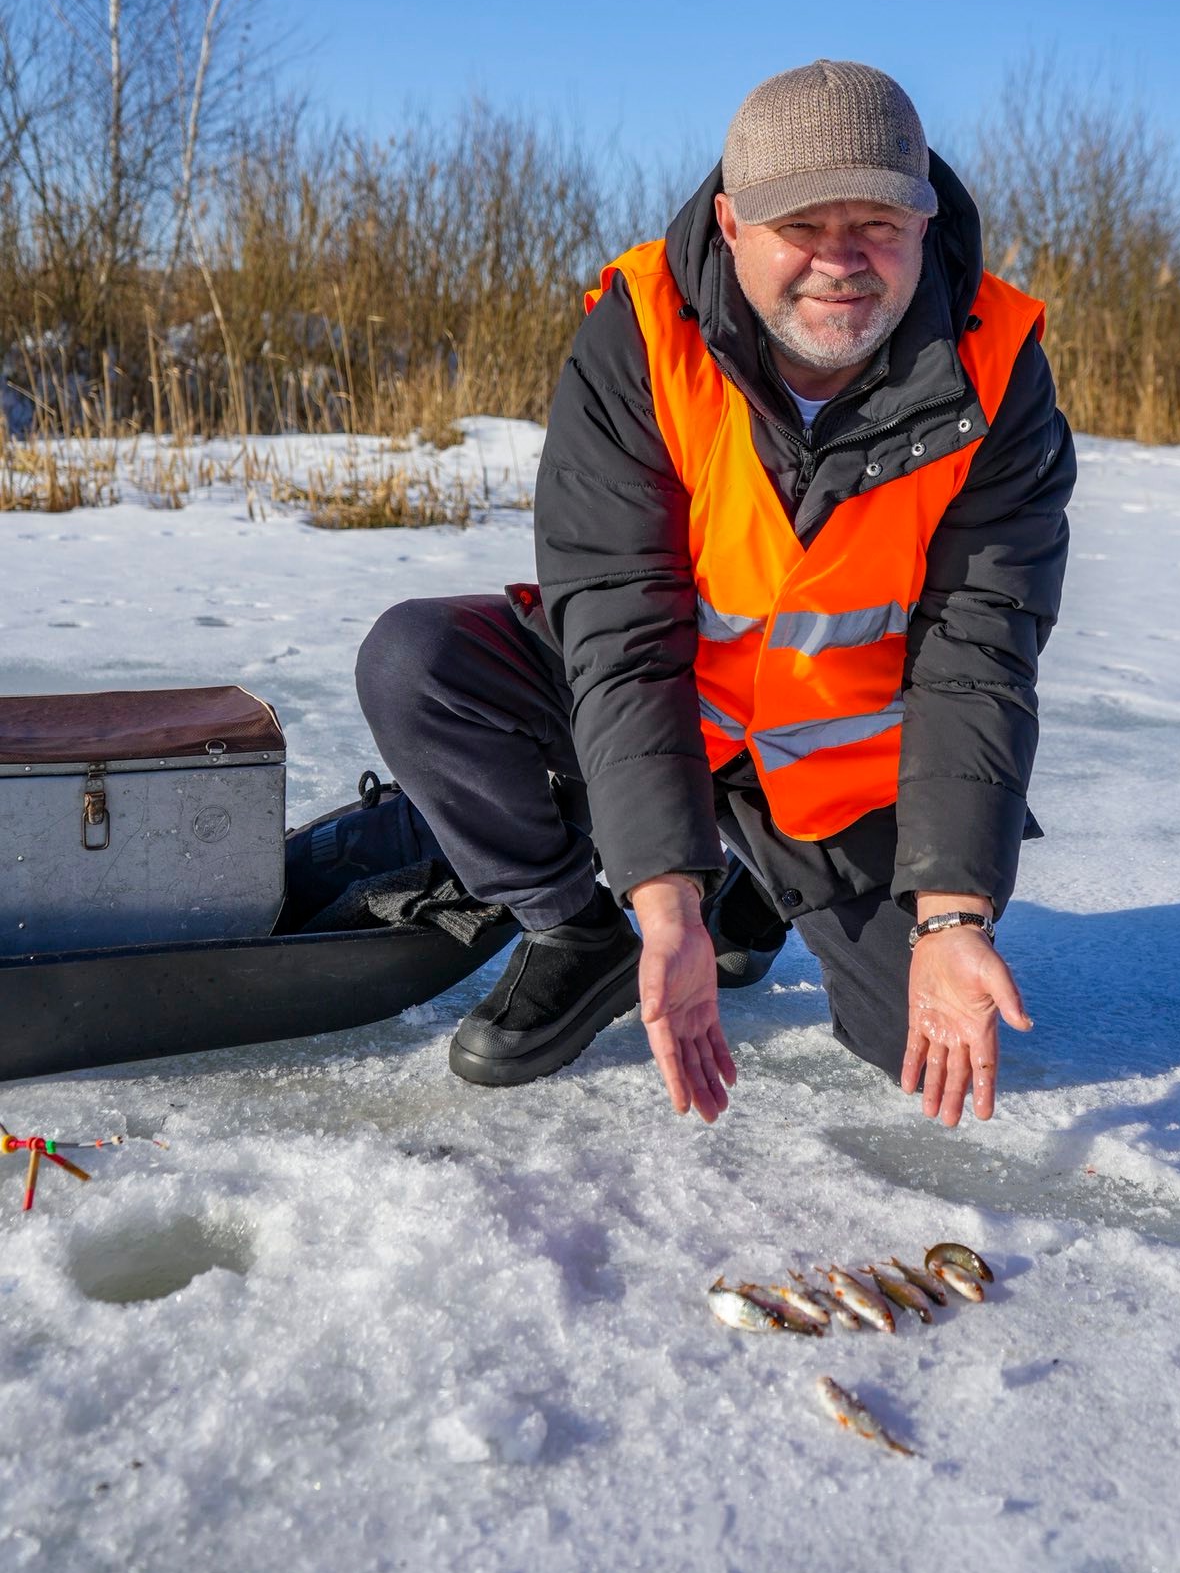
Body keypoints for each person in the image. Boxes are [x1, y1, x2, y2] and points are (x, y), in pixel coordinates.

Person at [356, 60, 1075, 1129]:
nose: (841, 260)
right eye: (801, 223)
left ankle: (763, 878)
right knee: (418, 663)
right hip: (677, 709)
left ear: (925, 222)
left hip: (837, 769)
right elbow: (621, 625)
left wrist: (952, 913)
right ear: (732, 224)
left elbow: (978, 650)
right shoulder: (640, 333)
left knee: (912, 1043)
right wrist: (660, 896)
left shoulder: (996, 367)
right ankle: (575, 925)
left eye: (876, 219)